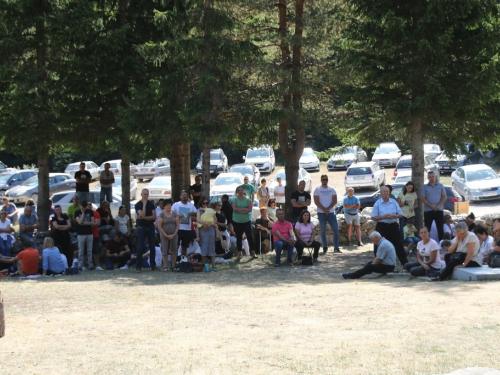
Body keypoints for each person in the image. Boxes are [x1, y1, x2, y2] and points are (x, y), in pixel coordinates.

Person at [371, 186, 408, 266]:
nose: (386, 193)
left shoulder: (394, 202)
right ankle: (377, 264)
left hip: (393, 226)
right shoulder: (377, 203)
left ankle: (405, 264)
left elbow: (400, 214)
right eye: (384, 192)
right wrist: (383, 217)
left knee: (398, 244)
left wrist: (393, 216)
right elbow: (373, 217)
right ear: (380, 193)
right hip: (382, 226)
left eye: (387, 191)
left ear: (389, 192)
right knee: (378, 244)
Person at [313, 175, 340, 254]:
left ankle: (336, 248)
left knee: (336, 230)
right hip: (321, 213)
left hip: (331, 212)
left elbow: (335, 200)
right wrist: (324, 209)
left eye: (326, 179)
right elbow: (316, 201)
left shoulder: (332, 189)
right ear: (321, 180)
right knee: (323, 231)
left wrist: (328, 209)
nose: (325, 181)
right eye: (323, 180)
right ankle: (324, 247)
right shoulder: (317, 190)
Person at [135, 189, 157, 272]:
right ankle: (138, 266)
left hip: (150, 227)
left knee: (152, 247)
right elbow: (141, 215)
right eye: (144, 194)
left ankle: (153, 265)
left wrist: (144, 218)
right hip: (141, 227)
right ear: (141, 194)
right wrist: (144, 205)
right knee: (140, 247)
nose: (146, 196)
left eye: (147, 194)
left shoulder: (151, 204)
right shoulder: (138, 204)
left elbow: (154, 217)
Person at [232, 186, 257, 259]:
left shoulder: (248, 199)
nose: (240, 191)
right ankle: (239, 253)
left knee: (249, 236)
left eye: (241, 190)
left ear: (244, 191)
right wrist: (244, 210)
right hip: (237, 221)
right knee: (239, 237)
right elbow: (234, 209)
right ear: (237, 192)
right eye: (239, 190)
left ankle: (253, 253)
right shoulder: (234, 199)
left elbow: (249, 209)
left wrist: (240, 210)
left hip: (246, 221)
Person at [420, 171, 447, 241]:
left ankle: (442, 245)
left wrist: (438, 205)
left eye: (433, 177)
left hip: (439, 210)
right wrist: (431, 206)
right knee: (427, 228)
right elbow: (423, 198)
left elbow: (444, 197)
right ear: (428, 178)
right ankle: (426, 243)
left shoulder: (440, 186)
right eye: (430, 177)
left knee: (440, 228)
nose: (431, 178)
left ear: (435, 177)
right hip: (428, 211)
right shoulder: (425, 187)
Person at [172, 190, 198, 257]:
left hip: (187, 229)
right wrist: (178, 215)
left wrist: (192, 213)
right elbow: (171, 213)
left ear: (188, 197)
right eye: (183, 195)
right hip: (178, 228)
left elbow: (197, 212)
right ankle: (174, 262)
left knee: (184, 246)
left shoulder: (191, 205)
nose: (184, 197)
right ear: (180, 196)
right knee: (176, 246)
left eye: (186, 195)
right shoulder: (176, 205)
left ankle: (183, 261)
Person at [196, 198, 219, 270]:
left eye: (206, 203)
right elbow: (198, 219)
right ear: (201, 203)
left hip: (211, 229)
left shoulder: (211, 210)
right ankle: (204, 264)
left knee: (212, 246)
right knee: (204, 246)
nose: (205, 204)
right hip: (203, 229)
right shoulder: (199, 211)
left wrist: (210, 224)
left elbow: (215, 219)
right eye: (203, 203)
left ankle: (213, 264)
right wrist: (206, 224)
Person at [158, 198, 179, 271]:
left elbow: (177, 225)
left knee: (174, 250)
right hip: (164, 235)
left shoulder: (174, 213)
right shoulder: (162, 214)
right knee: (164, 251)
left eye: (170, 205)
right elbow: (159, 226)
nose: (169, 207)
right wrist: (165, 235)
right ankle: (165, 266)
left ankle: (173, 266)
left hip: (174, 235)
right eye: (167, 205)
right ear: (164, 206)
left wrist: (174, 234)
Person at [75, 200, 95, 270]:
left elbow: (92, 222)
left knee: (89, 250)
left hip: (89, 233)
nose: (84, 208)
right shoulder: (77, 212)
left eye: (85, 207)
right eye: (83, 207)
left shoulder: (90, 212)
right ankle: (80, 265)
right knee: (81, 251)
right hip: (81, 234)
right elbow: (79, 222)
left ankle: (90, 265)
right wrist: (83, 213)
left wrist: (85, 223)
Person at [88, 202, 103, 271]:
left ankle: (97, 265)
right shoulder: (83, 214)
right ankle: (84, 266)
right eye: (87, 205)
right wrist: (92, 223)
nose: (89, 206)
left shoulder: (96, 213)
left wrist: (87, 225)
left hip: (95, 234)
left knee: (95, 250)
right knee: (86, 251)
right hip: (86, 234)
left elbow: (98, 223)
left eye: (90, 205)